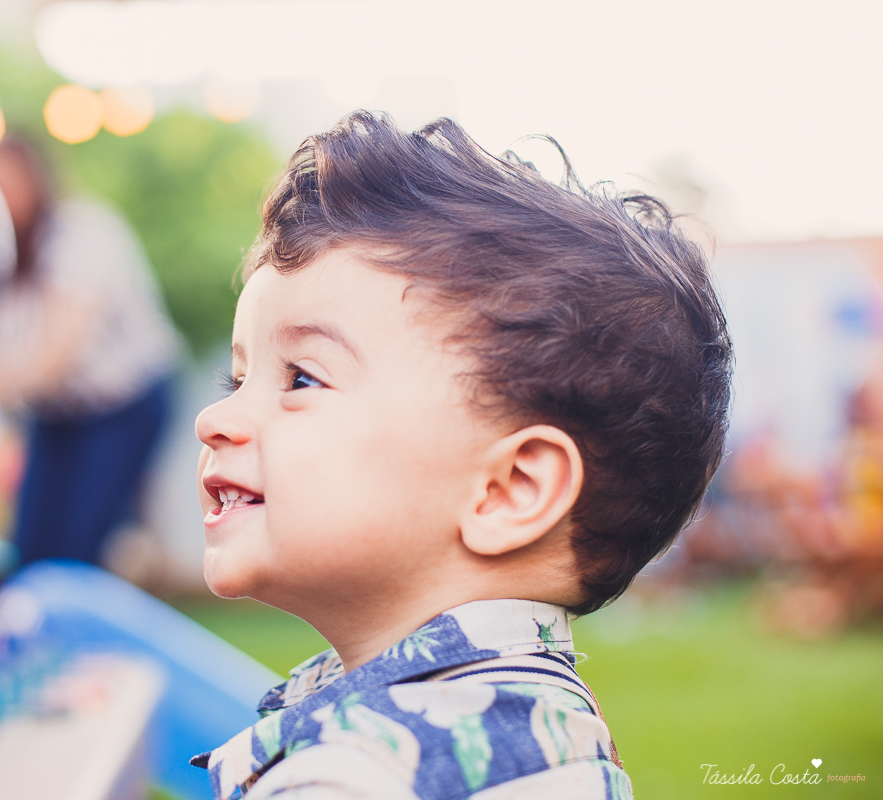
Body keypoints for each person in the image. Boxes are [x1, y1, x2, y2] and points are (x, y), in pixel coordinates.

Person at [192, 113, 732, 799]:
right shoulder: (540, 722)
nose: (215, 419)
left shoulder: (361, 774)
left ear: (509, 489)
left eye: (302, 379)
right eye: (237, 381)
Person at [0, 136, 182, 567]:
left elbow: (59, 351)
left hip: (125, 400)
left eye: (4, 180)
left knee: (77, 542)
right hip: (55, 412)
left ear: (35, 178)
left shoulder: (82, 232)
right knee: (28, 545)